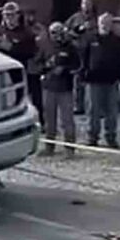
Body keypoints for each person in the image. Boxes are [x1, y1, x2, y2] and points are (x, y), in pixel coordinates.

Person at [82, 12, 120, 149]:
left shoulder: (118, 41)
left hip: (112, 81)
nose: (104, 25)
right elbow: (84, 58)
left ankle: (111, 137)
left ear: (111, 24)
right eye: (102, 22)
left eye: (107, 23)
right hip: (93, 80)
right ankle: (92, 137)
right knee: (93, 111)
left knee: (112, 112)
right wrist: (83, 75)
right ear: (98, 23)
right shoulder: (90, 39)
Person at [0, 2, 39, 113]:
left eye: (12, 15)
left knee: (18, 101)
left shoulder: (27, 32)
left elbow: (31, 52)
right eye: (6, 15)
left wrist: (12, 48)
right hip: (0, 72)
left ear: (18, 15)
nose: (9, 18)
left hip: (18, 73)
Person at [39, 22, 80, 156]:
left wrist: (64, 69)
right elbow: (37, 63)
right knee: (49, 119)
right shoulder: (45, 46)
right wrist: (46, 66)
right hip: (49, 87)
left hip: (65, 88)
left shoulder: (71, 47)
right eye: (53, 33)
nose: (56, 36)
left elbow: (77, 66)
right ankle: (49, 147)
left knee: (67, 120)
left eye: (59, 32)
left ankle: (69, 147)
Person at [66, 0, 98, 114]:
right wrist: (76, 32)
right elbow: (65, 31)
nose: (86, 6)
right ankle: (78, 106)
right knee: (78, 80)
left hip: (92, 52)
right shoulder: (75, 18)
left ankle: (93, 107)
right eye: (84, 3)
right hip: (78, 51)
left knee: (91, 80)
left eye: (88, 3)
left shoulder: (96, 19)